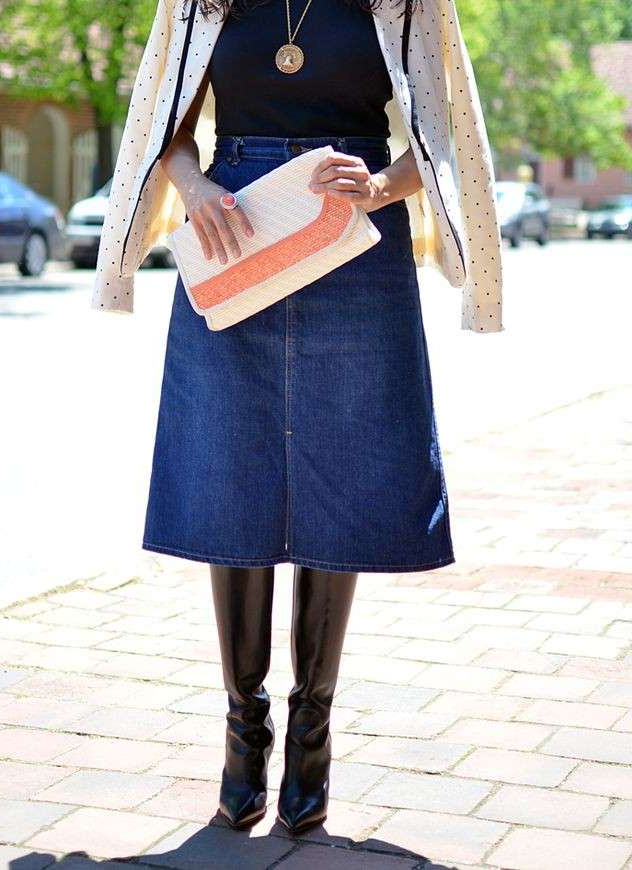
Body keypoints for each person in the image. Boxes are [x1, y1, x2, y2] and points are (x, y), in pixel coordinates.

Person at [92, 0, 503, 835]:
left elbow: (446, 131)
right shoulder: (202, 1)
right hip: (233, 228)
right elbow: (166, 124)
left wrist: (382, 185)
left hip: (355, 238)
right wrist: (196, 188)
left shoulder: (404, 2)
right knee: (231, 473)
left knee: (343, 476)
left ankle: (311, 732)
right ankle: (244, 732)